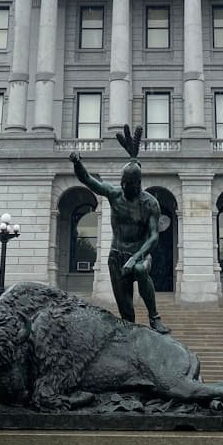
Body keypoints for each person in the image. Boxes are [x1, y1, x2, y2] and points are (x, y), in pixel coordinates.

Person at [69, 137, 170, 334]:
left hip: (139, 254)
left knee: (141, 270)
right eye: (123, 182)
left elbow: (154, 237)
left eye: (129, 184)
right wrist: (77, 163)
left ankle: (154, 317)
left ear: (138, 183)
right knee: (127, 315)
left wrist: (134, 258)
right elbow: (87, 180)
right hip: (116, 257)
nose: (124, 187)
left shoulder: (150, 204)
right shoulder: (114, 194)